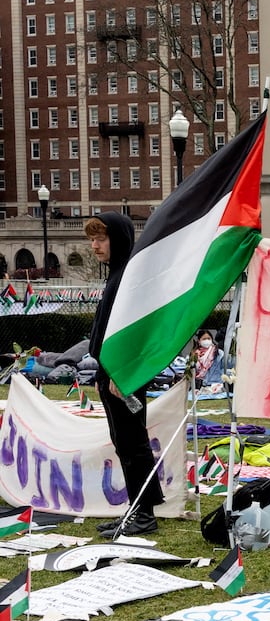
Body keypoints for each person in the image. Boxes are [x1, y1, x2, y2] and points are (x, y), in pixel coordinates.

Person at [86, 212, 163, 537]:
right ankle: (138, 509)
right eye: (92, 240)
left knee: (132, 443)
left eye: (101, 239)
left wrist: (122, 372)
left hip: (123, 376)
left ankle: (143, 513)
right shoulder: (117, 274)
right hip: (113, 374)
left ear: (117, 239)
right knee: (125, 442)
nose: (95, 246)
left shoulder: (127, 277)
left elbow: (133, 333)